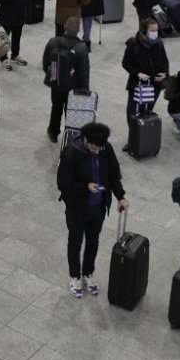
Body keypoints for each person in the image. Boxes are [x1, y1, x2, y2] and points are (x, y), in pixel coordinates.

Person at [56, 122, 129, 298]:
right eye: (93, 147)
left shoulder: (105, 148)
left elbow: (113, 174)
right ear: (85, 139)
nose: (97, 151)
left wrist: (121, 196)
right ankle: (74, 276)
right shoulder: (71, 153)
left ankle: (88, 273)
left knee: (93, 241)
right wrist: (85, 187)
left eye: (99, 148)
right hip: (77, 208)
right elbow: (63, 185)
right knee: (75, 242)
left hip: (98, 207)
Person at [42, 15, 90, 142]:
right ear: (78, 30)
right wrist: (84, 91)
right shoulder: (81, 48)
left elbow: (45, 63)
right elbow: (84, 72)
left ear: (64, 27)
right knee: (71, 112)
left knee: (56, 108)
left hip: (56, 83)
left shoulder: (53, 42)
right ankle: (70, 137)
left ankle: (53, 132)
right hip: (72, 87)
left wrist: (53, 76)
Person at [121, 16, 169, 120]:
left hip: (155, 84)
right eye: (152, 30)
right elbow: (126, 63)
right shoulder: (133, 44)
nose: (155, 33)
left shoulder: (159, 43)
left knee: (147, 112)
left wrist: (164, 74)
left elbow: (165, 61)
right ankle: (134, 134)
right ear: (144, 30)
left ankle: (143, 134)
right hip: (138, 85)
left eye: (156, 30)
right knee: (133, 113)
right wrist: (138, 73)